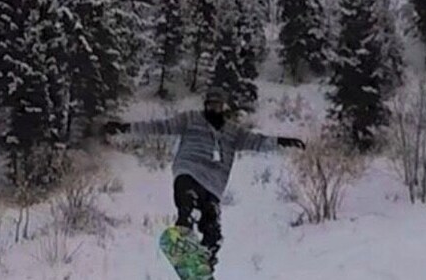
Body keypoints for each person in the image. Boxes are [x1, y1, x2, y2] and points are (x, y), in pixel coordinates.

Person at [102, 87, 305, 270]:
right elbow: (160, 127)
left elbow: (257, 141)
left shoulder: (233, 132)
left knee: (213, 232)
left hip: (214, 186)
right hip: (188, 172)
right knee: (188, 206)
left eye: (218, 106)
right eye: (210, 105)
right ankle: (184, 228)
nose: (214, 109)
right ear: (205, 105)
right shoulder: (190, 119)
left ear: (223, 108)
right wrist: (125, 128)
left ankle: (205, 265)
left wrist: (281, 141)